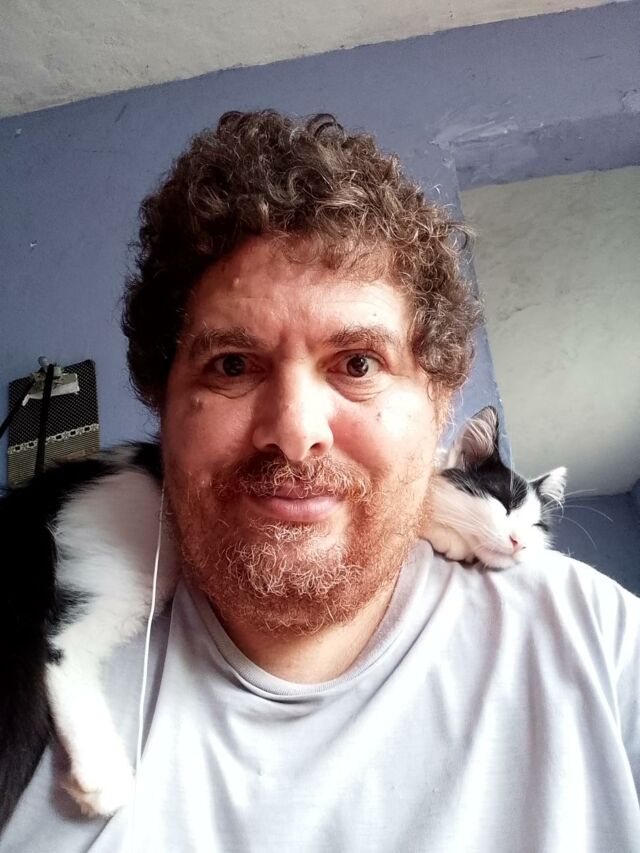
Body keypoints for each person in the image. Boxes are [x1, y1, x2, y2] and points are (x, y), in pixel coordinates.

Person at [2, 110, 639, 852]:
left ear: (442, 403)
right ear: (161, 400)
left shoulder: (603, 647)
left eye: (358, 363)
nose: (295, 429)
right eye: (232, 364)